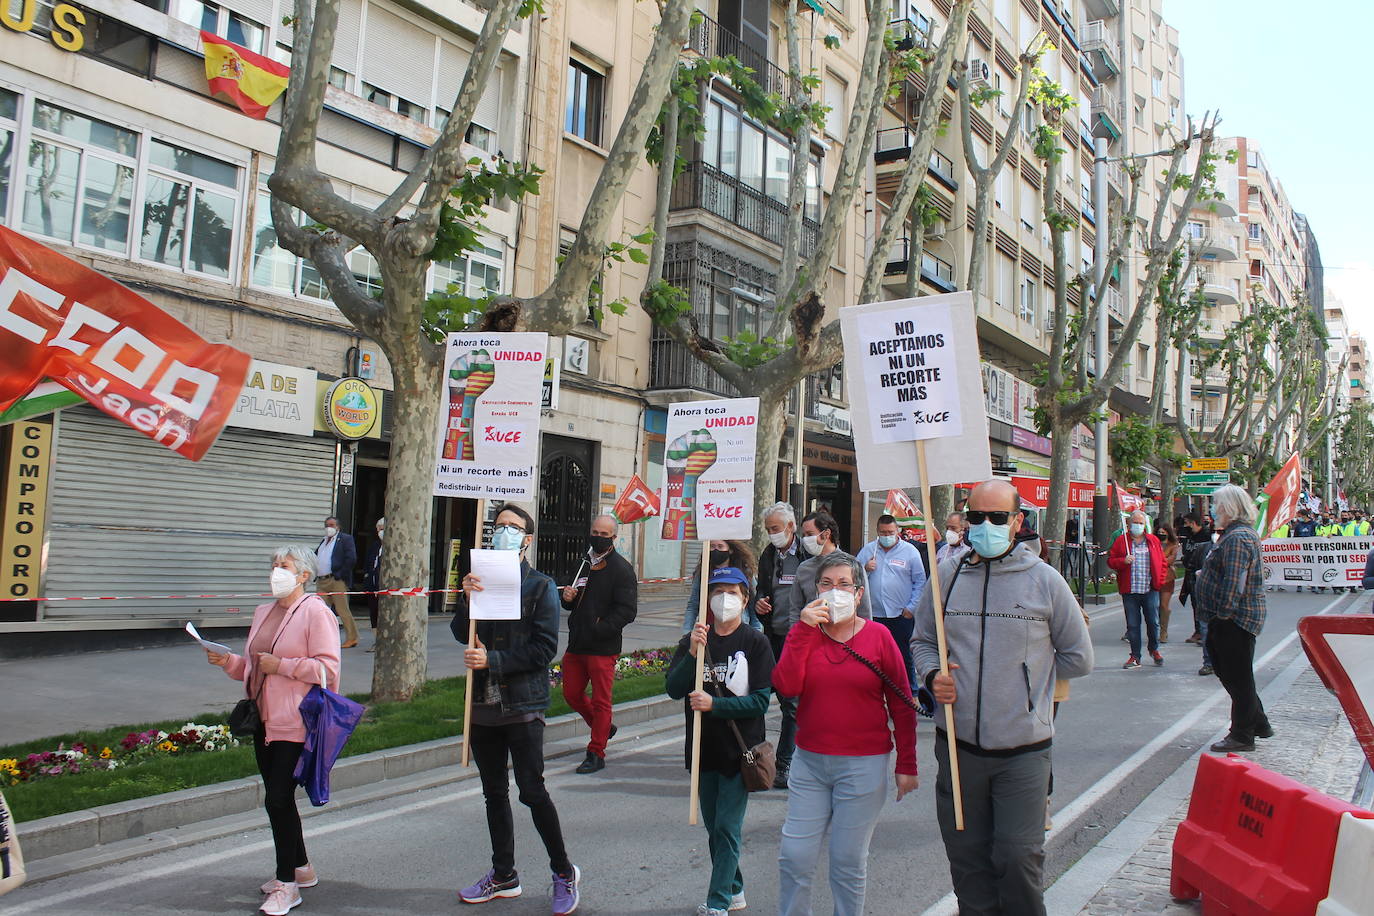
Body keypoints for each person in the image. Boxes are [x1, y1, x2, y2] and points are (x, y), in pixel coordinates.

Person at [913, 478, 1094, 916]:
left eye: (998, 517)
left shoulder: (1045, 580)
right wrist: (933, 674)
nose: (986, 525)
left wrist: (1027, 686)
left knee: (1017, 859)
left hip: (1024, 753)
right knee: (967, 862)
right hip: (958, 750)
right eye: (977, 517)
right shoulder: (948, 575)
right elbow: (922, 641)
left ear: (1016, 522)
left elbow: (1078, 658)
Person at [773, 554, 919, 916]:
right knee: (795, 856)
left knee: (847, 860)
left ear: (858, 594)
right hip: (810, 762)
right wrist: (803, 631)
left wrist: (907, 763)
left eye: (844, 585)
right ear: (814, 591)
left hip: (863, 764)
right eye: (826, 584)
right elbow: (786, 685)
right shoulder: (805, 634)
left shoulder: (879, 637)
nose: (834, 591)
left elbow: (901, 704)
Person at [453, 503, 581, 914]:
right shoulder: (480, 581)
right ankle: (504, 875)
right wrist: (464, 597)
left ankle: (563, 872)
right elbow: (461, 633)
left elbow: (545, 648)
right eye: (499, 525)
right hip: (483, 707)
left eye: (513, 527)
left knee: (531, 791)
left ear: (527, 539)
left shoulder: (540, 586)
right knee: (494, 793)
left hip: (523, 705)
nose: (503, 531)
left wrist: (494, 661)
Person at [206, 545, 341, 916]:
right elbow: (255, 667)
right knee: (278, 797)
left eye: (284, 566)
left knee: (278, 799)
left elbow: (328, 671)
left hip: (297, 720)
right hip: (263, 719)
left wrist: (283, 664)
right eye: (273, 565)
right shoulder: (264, 611)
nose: (275, 572)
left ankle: (287, 886)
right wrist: (229, 661)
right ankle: (301, 867)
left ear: (304, 575)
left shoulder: (316, 612)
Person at [665, 567, 775, 916]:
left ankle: (718, 903)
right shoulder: (694, 640)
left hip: (739, 752)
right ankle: (735, 888)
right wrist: (694, 655)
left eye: (732, 592)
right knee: (715, 829)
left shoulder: (755, 643)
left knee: (727, 827)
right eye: (717, 591)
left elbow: (760, 700)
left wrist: (717, 704)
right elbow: (673, 688)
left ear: (745, 599)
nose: (724, 598)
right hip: (702, 750)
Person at [1193, 485, 1273, 753]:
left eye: (1216, 505)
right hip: (1227, 618)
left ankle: (1242, 734)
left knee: (1237, 678)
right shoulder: (1231, 536)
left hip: (1234, 619)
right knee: (1234, 675)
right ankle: (1258, 722)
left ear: (1229, 507)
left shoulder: (1238, 538)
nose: (1212, 510)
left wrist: (1223, 615)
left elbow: (1234, 583)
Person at [560, 514, 638, 774]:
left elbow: (627, 611)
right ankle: (603, 727)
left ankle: (596, 752)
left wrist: (600, 628)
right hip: (577, 643)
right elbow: (572, 597)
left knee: (602, 701)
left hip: (603, 646)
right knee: (571, 694)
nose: (598, 537)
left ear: (613, 538)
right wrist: (568, 599)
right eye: (595, 532)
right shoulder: (582, 563)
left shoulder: (622, 569)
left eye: (604, 534)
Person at [756, 502, 813, 790]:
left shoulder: (808, 553)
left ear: (791, 527)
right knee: (759, 697)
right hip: (772, 636)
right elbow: (762, 588)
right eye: (768, 530)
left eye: (775, 529)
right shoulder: (768, 554)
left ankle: (785, 762)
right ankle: (755, 758)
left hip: (798, 639)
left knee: (790, 703)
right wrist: (759, 602)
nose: (771, 534)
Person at [855, 514, 927, 685]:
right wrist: (865, 569)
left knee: (903, 655)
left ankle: (911, 691)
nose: (887, 536)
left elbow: (920, 581)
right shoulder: (868, 551)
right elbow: (853, 578)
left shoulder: (910, 552)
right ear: (877, 532)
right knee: (874, 656)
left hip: (901, 614)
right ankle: (877, 689)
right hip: (874, 614)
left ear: (898, 531)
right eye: (883, 533)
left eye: (890, 532)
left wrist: (912, 607)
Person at [1107, 510, 1167, 669]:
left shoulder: (1153, 541)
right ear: (1129, 524)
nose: (1138, 526)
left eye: (1141, 523)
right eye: (1135, 522)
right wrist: (1122, 561)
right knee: (1133, 624)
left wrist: (1159, 582)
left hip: (1149, 590)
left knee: (1153, 623)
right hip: (1130, 590)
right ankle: (1135, 656)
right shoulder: (1122, 541)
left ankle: (1154, 649)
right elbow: (1111, 560)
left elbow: (1162, 563)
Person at [681, 540, 762, 635]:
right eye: (712, 546)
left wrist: (757, 632)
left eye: (720, 546)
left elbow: (754, 604)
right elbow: (693, 605)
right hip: (709, 629)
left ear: (730, 549)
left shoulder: (744, 572)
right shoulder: (703, 573)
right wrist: (687, 633)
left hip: (739, 630)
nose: (716, 550)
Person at [316, 516, 359, 649]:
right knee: (320, 611)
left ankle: (352, 638)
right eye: (327, 525)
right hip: (322, 581)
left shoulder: (345, 539)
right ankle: (321, 639)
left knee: (342, 609)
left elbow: (351, 558)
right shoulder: (323, 542)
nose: (329, 528)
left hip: (336, 580)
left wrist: (340, 574)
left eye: (332, 525)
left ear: (338, 527)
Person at [1154, 523, 1180, 642]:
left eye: (1164, 533)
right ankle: (1155, 628)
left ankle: (1163, 631)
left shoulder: (1173, 545)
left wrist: (1158, 560)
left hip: (1167, 578)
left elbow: (1171, 559)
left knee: (1164, 605)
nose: (1161, 534)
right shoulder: (1154, 543)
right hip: (1154, 577)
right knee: (1153, 605)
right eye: (1160, 532)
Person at [363, 517, 384, 649]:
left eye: (382, 529)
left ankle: (383, 641)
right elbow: (368, 564)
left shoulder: (394, 547)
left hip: (385, 588)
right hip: (372, 586)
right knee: (374, 613)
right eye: (378, 529)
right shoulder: (375, 546)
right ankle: (376, 640)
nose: (380, 532)